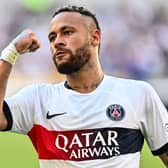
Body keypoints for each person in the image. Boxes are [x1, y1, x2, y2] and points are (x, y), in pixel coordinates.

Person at [0, 5, 168, 168]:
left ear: (94, 37)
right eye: (52, 37)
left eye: (67, 32)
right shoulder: (38, 99)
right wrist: (10, 52)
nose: (57, 42)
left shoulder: (138, 93)